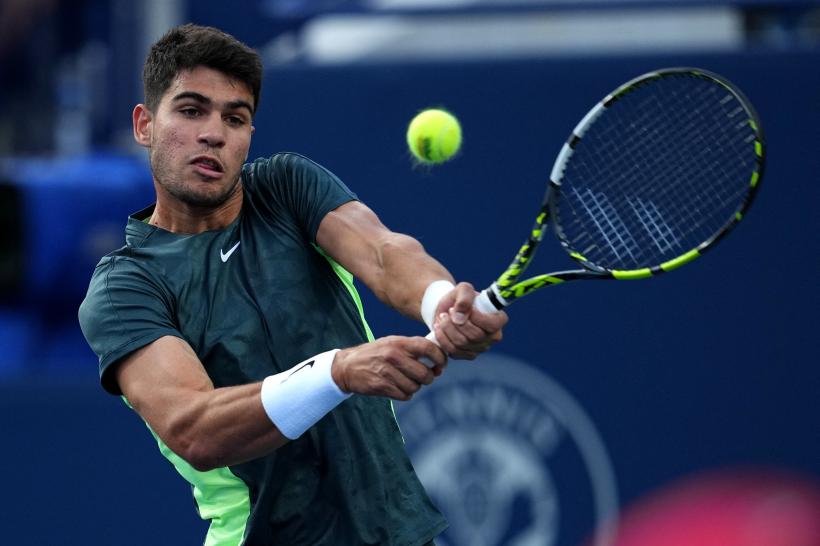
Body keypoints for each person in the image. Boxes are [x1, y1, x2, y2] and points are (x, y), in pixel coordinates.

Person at [78, 23, 507, 546]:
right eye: (191, 111)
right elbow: (196, 428)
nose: (214, 133)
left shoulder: (285, 186)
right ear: (145, 124)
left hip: (396, 532)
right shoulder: (125, 287)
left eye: (235, 118)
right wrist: (338, 370)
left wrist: (439, 302)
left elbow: (383, 251)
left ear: (249, 136)